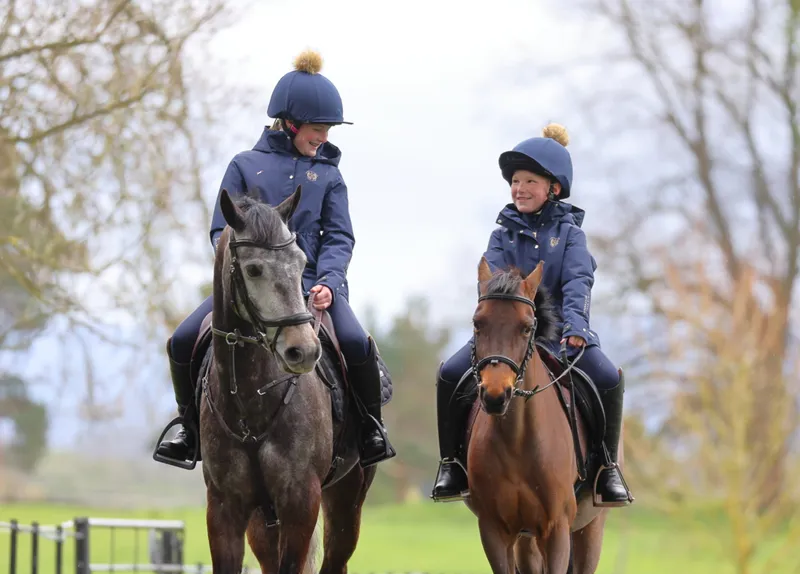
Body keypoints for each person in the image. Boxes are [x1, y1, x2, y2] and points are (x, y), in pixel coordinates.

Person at [154, 50, 395, 469]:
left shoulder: (331, 176)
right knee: (180, 342)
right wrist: (245, 273)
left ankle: (370, 428)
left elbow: (339, 236)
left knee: (357, 344)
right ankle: (188, 429)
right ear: (291, 123)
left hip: (313, 289)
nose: (324, 138)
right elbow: (220, 230)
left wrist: (330, 281)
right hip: (249, 289)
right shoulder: (244, 166)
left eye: (327, 131)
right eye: (318, 130)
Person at [431, 124, 633, 506]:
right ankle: (451, 464)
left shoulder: (571, 236)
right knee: (448, 375)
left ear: (553, 188)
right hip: (506, 339)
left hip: (561, 335)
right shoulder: (501, 235)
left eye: (529, 181)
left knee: (608, 377)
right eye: (515, 181)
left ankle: (608, 469)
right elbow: (488, 286)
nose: (519, 188)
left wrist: (577, 326)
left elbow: (578, 282)